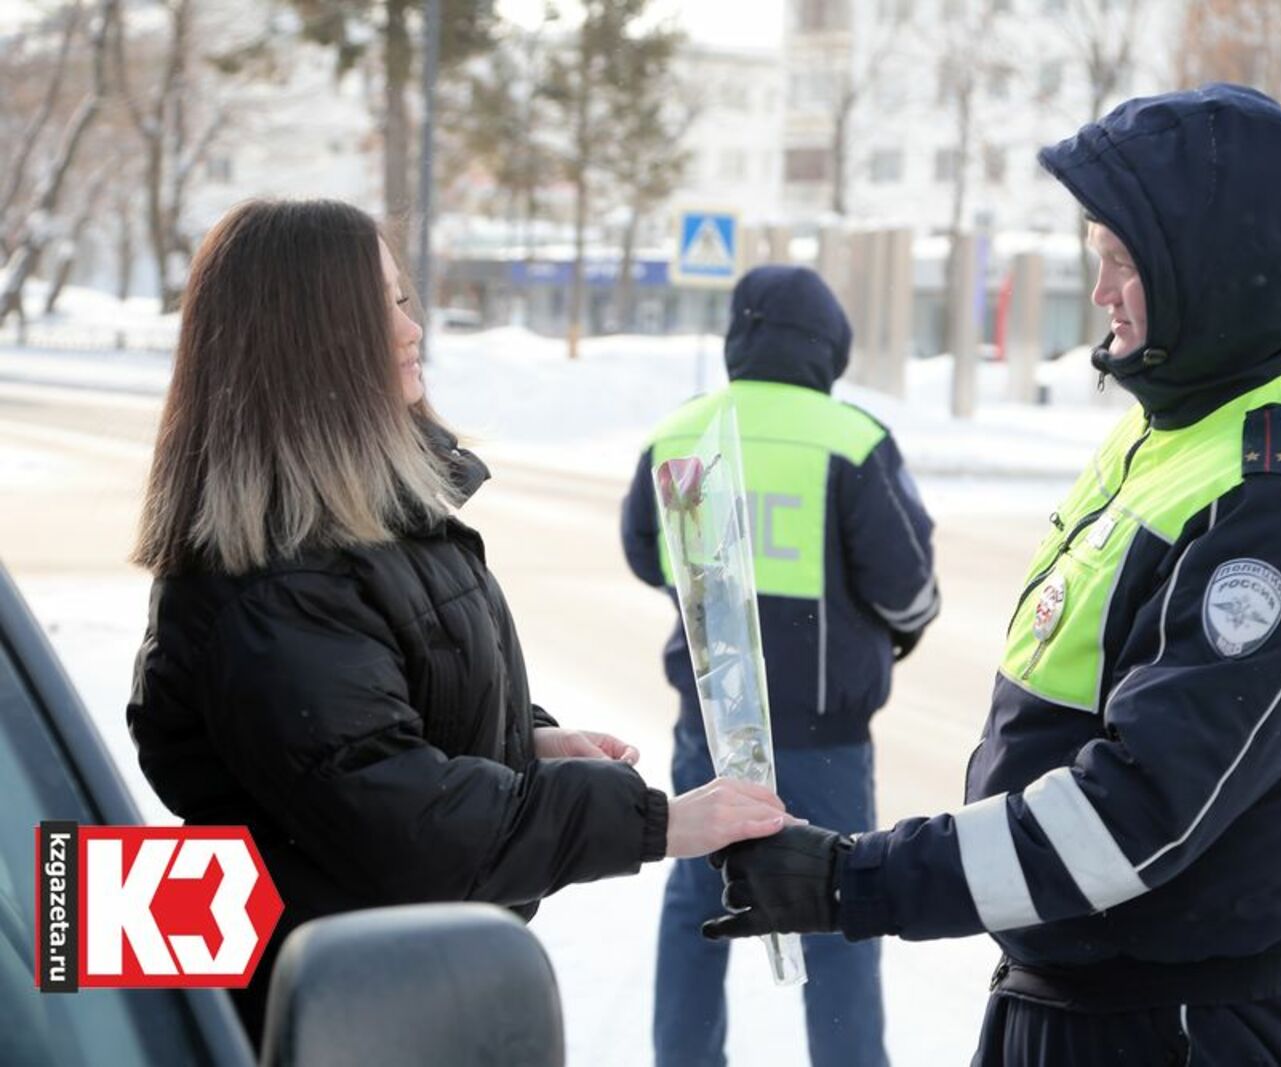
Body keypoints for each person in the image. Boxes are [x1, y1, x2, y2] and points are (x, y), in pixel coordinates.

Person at [703, 85, 1281, 1065]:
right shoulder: (1190, 415)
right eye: (1097, 258)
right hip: (1086, 994)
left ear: (1212, 272)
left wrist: (854, 879)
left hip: (1177, 1025)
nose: (1099, 293)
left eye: (1122, 263)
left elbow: (1129, 816)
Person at [126, 199, 790, 1048]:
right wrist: (653, 821)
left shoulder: (368, 523)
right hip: (328, 1018)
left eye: (405, 299)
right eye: (385, 306)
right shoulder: (268, 586)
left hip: (387, 992)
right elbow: (402, 818)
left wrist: (522, 736)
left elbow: (387, 711)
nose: (414, 329)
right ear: (307, 337)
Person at [621, 265, 940, 1067]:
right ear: (830, 344)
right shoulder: (852, 439)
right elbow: (907, 588)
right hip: (825, 738)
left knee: (699, 910)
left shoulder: (680, 432)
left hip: (713, 728)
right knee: (839, 905)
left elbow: (644, 550)